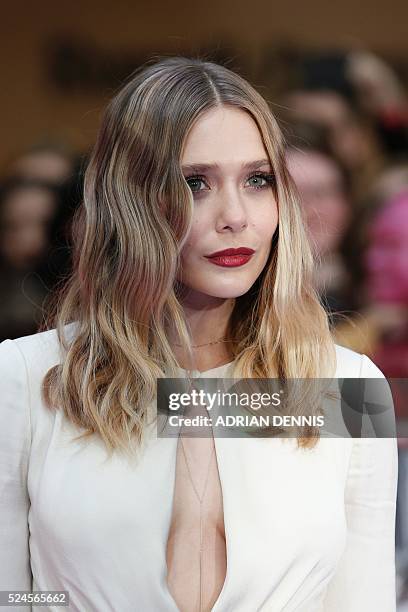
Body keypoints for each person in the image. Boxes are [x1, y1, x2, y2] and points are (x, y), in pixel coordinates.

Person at [0, 57, 398, 612]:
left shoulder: (345, 387)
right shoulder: (27, 378)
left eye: (258, 180)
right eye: (195, 183)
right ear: (131, 201)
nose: (235, 215)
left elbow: (364, 602)